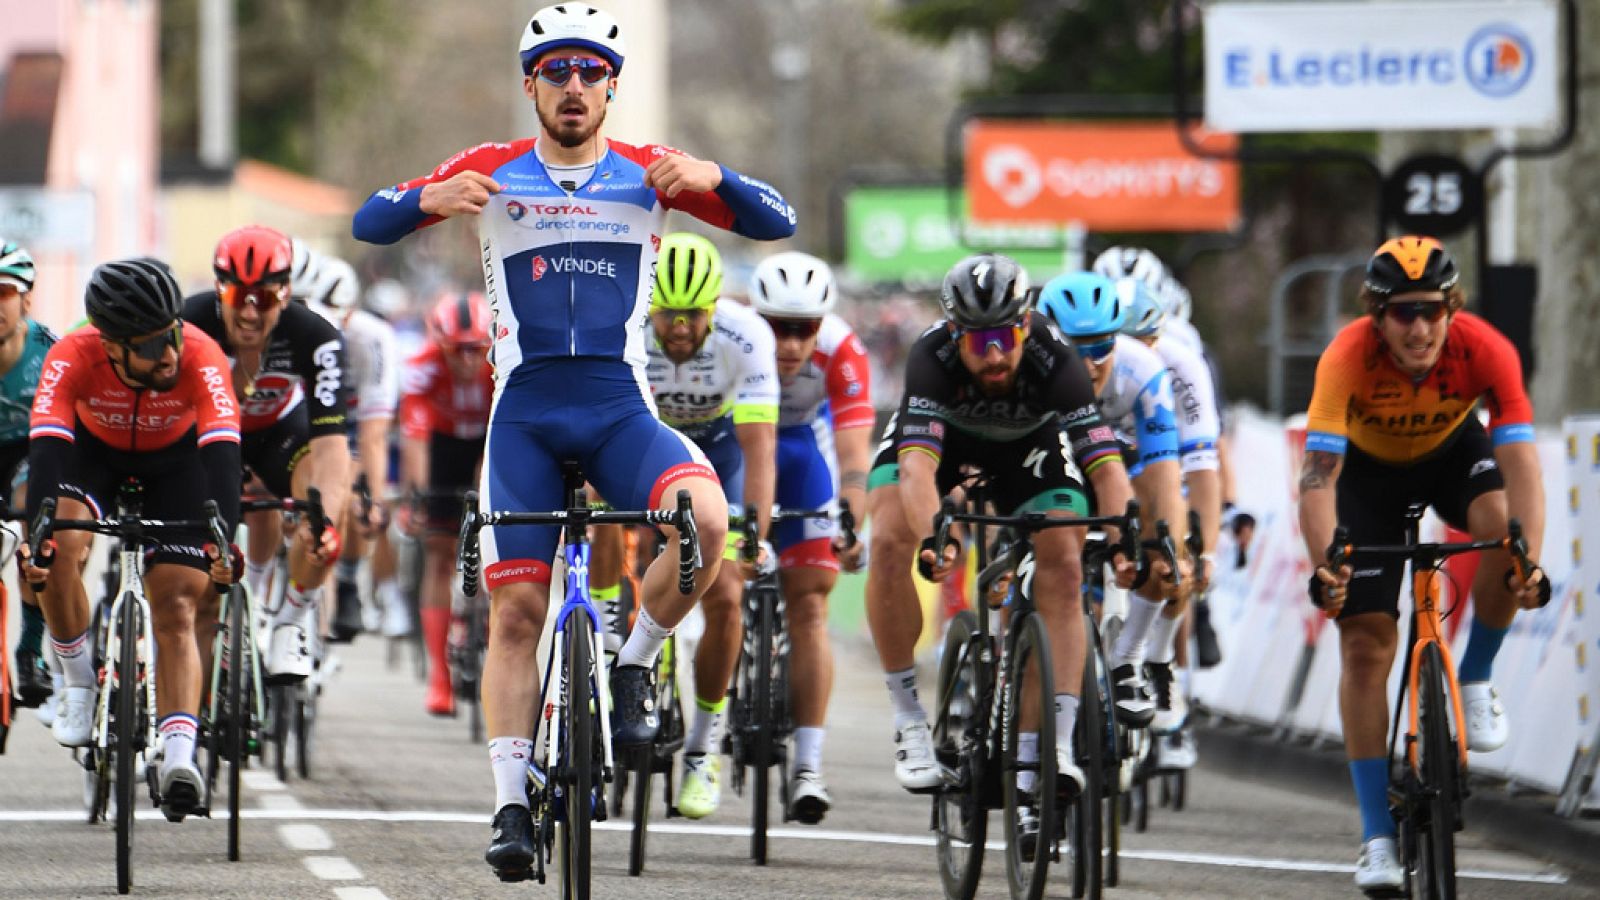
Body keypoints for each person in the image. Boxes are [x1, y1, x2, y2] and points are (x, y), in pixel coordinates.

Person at [349, 2, 796, 877]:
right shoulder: (492, 166)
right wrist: (423, 200)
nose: (575, 86)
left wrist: (714, 174)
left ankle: (634, 664)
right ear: (531, 85)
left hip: (619, 408)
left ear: (613, 86)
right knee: (516, 614)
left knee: (705, 520)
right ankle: (511, 806)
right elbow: (371, 221)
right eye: (557, 71)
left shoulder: (651, 172)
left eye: (592, 71)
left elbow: (773, 220)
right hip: (523, 414)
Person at [1297, 236, 1547, 892]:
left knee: (1500, 531)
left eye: (1433, 311)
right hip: (1368, 478)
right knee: (1366, 645)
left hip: (1450, 454)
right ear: (1376, 315)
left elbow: (1522, 462)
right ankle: (1377, 837)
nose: (1420, 327)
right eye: (1404, 312)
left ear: (1452, 309)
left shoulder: (1486, 348)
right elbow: (1318, 477)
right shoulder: (1347, 356)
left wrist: (1528, 559)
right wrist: (1327, 564)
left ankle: (1476, 678)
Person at [864, 254, 1135, 801]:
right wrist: (933, 536)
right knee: (891, 536)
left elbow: (1105, 464)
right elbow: (917, 466)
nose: (993, 353)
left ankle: (1051, 750)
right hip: (945, 445)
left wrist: (1127, 537)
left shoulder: (1054, 359)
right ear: (956, 332)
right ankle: (911, 721)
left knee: (1063, 557)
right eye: (978, 338)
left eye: (1006, 336)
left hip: (1025, 451)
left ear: (1025, 323)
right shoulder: (931, 357)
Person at [22, 258, 240, 821]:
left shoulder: (200, 353)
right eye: (148, 346)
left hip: (177, 463)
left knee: (178, 602)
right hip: (94, 457)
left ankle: (178, 752)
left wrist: (223, 539)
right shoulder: (72, 352)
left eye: (170, 334)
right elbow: (46, 445)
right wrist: (39, 535)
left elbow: (222, 453)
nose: (167, 353)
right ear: (112, 345)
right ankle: (76, 681)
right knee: (58, 549)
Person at [635, 231, 777, 819]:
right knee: (603, 534)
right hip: (646, 443)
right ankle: (613, 662)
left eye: (693, 315)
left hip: (722, 452)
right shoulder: (629, 331)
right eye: (667, 313)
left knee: (725, 592)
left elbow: (760, 449)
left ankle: (702, 747)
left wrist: (753, 533)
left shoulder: (747, 338)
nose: (679, 328)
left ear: (714, 307)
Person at [183, 225, 350, 683]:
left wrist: (327, 524)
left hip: (281, 437)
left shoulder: (317, 336)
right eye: (239, 295)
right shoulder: (190, 322)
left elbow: (332, 445)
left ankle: (293, 619)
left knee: (325, 502)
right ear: (220, 288)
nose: (252, 311)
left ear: (287, 291)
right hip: (211, 437)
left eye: (267, 296)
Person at [1037, 272, 1194, 731]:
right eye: (1074, 348)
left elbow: (1167, 469)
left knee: (1161, 543)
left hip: (1120, 464)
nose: (1088, 364)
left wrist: (1169, 547)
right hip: (1052, 462)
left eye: (1099, 347)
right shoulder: (1032, 370)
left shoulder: (1142, 370)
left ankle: (1128, 658)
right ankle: (1013, 654)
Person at [747, 250, 872, 823]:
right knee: (718, 577)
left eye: (804, 331)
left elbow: (852, 454)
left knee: (811, 604)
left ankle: (809, 764)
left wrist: (850, 520)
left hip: (800, 454)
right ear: (756, 315)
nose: (791, 346)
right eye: (778, 328)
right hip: (738, 447)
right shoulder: (731, 333)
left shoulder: (843, 350)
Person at [1114, 275, 1223, 769]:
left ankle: (1155, 656)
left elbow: (1201, 466)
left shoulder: (1181, 362)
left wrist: (1206, 553)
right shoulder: (1078, 359)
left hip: (1158, 450)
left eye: (1145, 343)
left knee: (1177, 550)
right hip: (1100, 448)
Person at [294, 246, 404, 642]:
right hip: (302, 421)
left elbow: (374, 435)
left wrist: (372, 499)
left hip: (355, 427)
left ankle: (346, 579)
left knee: (352, 493)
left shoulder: (372, 339)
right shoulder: (287, 331)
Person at [399, 291, 493, 717]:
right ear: (440, 345)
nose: (470, 360)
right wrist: (417, 498)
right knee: (438, 552)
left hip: (487, 442)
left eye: (478, 350)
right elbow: (415, 440)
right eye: (459, 351)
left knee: (498, 545)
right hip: (441, 448)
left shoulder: (502, 365)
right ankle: (439, 675)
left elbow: (506, 436)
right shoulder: (422, 368)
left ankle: (487, 631)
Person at [0, 239, 58, 709]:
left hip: (31, 449)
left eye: (3, 292)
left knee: (34, 518)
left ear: (26, 298)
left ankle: (29, 650)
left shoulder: (50, 353)